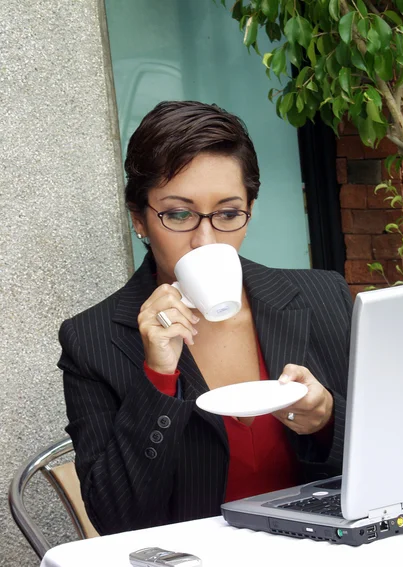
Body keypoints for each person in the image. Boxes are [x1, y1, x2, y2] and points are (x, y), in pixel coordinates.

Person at [58, 100, 353, 536]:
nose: (205, 238)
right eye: (178, 213)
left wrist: (328, 419)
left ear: (249, 214)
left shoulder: (322, 296)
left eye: (228, 213)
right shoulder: (94, 338)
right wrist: (158, 376)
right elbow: (116, 519)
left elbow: (395, 455)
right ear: (140, 219)